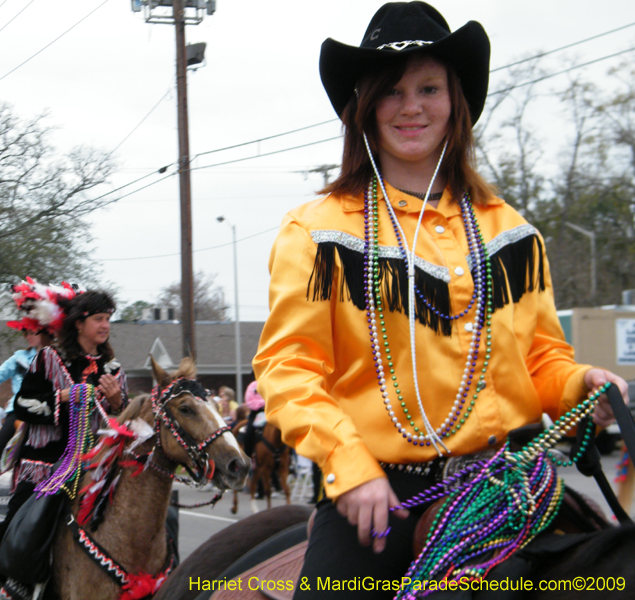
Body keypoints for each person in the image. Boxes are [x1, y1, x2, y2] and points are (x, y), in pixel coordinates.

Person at [251, 3, 630, 598]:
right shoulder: (317, 232)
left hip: (511, 484)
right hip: (383, 495)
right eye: (392, 90)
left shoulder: (512, 232)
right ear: (364, 106)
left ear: (456, 101)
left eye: (429, 88)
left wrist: (582, 383)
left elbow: (540, 362)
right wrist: (349, 468)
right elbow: (288, 368)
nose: (412, 107)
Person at [0, 288, 129, 547]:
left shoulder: (113, 369)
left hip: (94, 466)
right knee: (21, 533)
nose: (105, 325)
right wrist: (64, 396)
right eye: (98, 319)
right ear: (79, 323)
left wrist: (117, 403)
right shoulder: (49, 358)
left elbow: (123, 421)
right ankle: (8, 565)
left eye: (107, 319)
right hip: (45, 464)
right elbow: (22, 405)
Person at [0, 315, 54, 487]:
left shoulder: (59, 358)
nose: (28, 336)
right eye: (26, 333)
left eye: (33, 332)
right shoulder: (19, 359)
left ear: (45, 331)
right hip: (19, 413)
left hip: (50, 413)